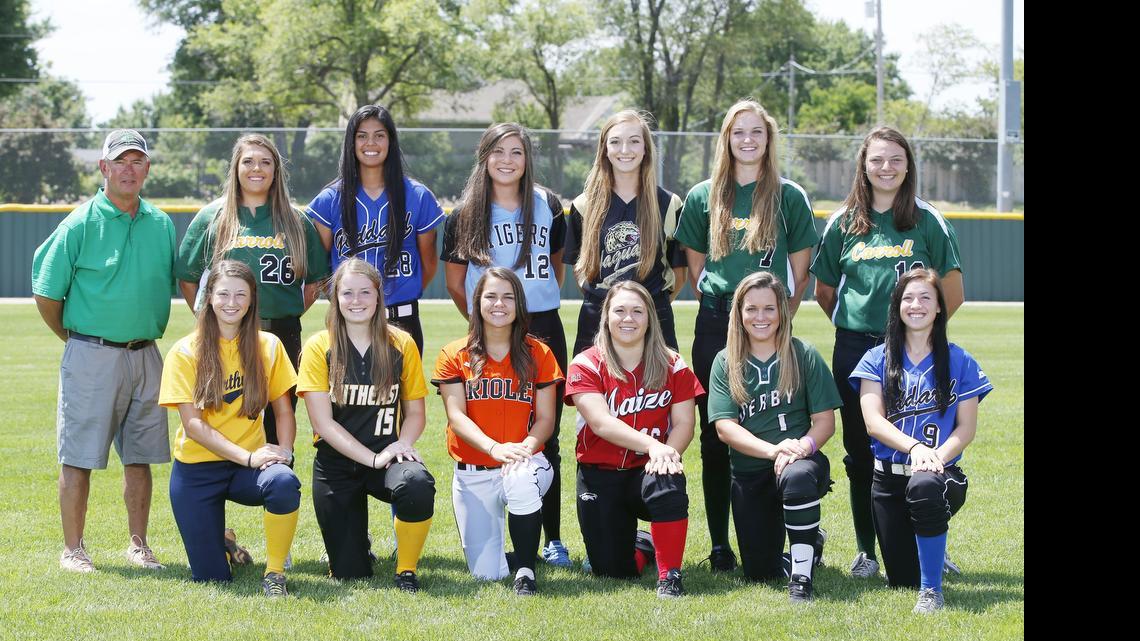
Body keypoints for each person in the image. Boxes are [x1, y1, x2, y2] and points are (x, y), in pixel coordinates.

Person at [811, 126, 964, 579]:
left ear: (908, 166)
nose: (886, 167)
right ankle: (866, 551)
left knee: (931, 447)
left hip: (916, 349)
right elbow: (825, 291)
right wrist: (860, 328)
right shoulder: (843, 222)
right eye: (877, 159)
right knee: (863, 452)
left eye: (896, 159)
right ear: (863, 165)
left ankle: (931, 543)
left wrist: (918, 335)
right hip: (858, 348)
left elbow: (951, 292)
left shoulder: (927, 220)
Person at [673, 99, 818, 572]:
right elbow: (696, 266)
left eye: (757, 131)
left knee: (778, 423)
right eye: (739, 133)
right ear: (727, 139)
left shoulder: (788, 195)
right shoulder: (702, 196)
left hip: (769, 322)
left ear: (769, 138)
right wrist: (730, 311)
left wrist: (775, 317)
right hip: (717, 322)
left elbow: (798, 270)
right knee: (719, 436)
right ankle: (719, 543)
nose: (748, 140)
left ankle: (792, 528)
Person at [31, 129, 174, 573]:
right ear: (104, 168)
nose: (129, 169)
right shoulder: (79, 223)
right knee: (78, 456)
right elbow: (47, 295)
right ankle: (73, 550)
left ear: (147, 169)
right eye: (121, 161)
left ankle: (138, 545)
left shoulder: (162, 224)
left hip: (146, 353)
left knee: (141, 455)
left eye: (138, 161)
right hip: (92, 354)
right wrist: (78, 341)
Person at [441, 123, 572, 567]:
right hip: (492, 327)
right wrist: (489, 326)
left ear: (526, 158)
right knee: (495, 422)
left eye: (516, 152)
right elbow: (457, 283)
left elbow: (556, 266)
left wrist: (525, 319)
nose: (507, 160)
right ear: (484, 157)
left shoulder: (548, 204)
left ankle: (552, 539)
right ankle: (496, 524)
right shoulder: (464, 214)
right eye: (498, 152)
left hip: (542, 323)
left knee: (543, 432)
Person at [849, 268, 990, 613]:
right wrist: (915, 448)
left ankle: (931, 592)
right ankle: (931, 551)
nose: (916, 305)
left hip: (940, 474)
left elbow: (965, 429)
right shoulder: (876, 358)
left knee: (925, 487)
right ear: (897, 306)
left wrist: (936, 457)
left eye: (926, 298)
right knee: (901, 580)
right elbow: (872, 422)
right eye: (908, 298)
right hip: (888, 479)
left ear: (940, 306)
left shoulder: (959, 359)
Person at [158, 261, 301, 596]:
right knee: (212, 579)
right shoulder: (184, 352)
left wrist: (285, 453)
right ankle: (223, 541)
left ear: (252, 300)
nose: (231, 302)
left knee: (283, 482)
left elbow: (284, 410)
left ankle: (275, 572)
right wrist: (248, 457)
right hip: (197, 470)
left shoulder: (268, 345)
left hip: (248, 468)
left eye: (241, 294)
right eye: (223, 293)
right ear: (209, 298)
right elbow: (193, 426)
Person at [296, 258, 435, 592]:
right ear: (335, 299)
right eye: (347, 293)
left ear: (378, 297)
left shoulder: (401, 343)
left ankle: (406, 570)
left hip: (386, 457)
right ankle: (356, 543)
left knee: (416, 483)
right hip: (337, 463)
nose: (356, 301)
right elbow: (322, 422)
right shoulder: (319, 346)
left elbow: (416, 412)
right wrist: (371, 458)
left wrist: (402, 444)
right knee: (350, 573)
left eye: (364, 292)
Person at [706, 272, 841, 602]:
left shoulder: (803, 354)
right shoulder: (725, 362)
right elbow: (725, 428)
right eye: (751, 309)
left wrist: (801, 448)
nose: (760, 317)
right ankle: (810, 540)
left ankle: (801, 577)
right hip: (751, 471)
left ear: (782, 310)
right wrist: (773, 451)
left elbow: (824, 421)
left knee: (796, 478)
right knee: (758, 572)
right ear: (739, 313)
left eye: (769, 308)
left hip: (800, 462)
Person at [565, 281, 702, 598]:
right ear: (607, 317)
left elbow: (684, 423)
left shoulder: (672, 364)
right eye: (620, 311)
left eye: (637, 311)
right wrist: (654, 444)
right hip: (600, 474)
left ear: (650, 318)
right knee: (612, 571)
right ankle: (644, 544)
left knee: (668, 481)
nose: (628, 319)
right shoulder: (586, 363)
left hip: (648, 469)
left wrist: (667, 454)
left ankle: (670, 577)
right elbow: (600, 423)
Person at [431, 268, 563, 596]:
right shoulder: (454, 353)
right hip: (474, 470)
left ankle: (525, 572)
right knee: (486, 575)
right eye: (490, 296)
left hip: (524, 461)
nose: (499, 304)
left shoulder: (539, 353)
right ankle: (515, 545)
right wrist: (493, 448)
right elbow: (456, 416)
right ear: (477, 303)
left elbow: (546, 419)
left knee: (519, 479)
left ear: (519, 304)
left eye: (508, 296)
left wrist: (524, 447)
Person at [307, 104, 446, 355]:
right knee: (348, 395)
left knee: (406, 394)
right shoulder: (330, 199)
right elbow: (319, 269)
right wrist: (348, 303)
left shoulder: (417, 196)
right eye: (362, 136)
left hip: (402, 319)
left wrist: (402, 292)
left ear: (390, 141)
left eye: (379, 135)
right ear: (351, 142)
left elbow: (428, 265)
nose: (370, 143)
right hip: (348, 320)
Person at [564, 109, 686, 354]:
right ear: (605, 149)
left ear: (645, 149)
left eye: (634, 141)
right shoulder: (584, 205)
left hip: (655, 317)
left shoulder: (669, 203)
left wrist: (645, 307)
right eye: (615, 142)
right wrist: (608, 306)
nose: (625, 150)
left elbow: (679, 274)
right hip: (597, 320)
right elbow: (580, 269)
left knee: (658, 390)